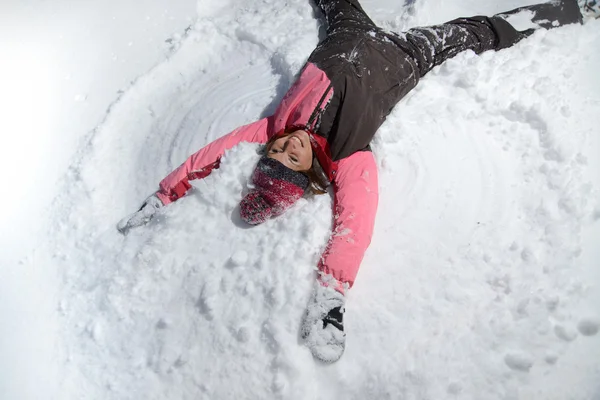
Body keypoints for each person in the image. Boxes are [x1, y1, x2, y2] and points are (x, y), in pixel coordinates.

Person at [118, 0, 598, 362]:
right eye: (292, 156)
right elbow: (355, 223)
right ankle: (572, 9)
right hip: (398, 57)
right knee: (466, 33)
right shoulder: (349, 157)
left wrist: (166, 195)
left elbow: (212, 154)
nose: (289, 144)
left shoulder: (273, 128)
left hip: (343, 37)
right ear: (307, 173)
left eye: (279, 149)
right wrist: (331, 295)